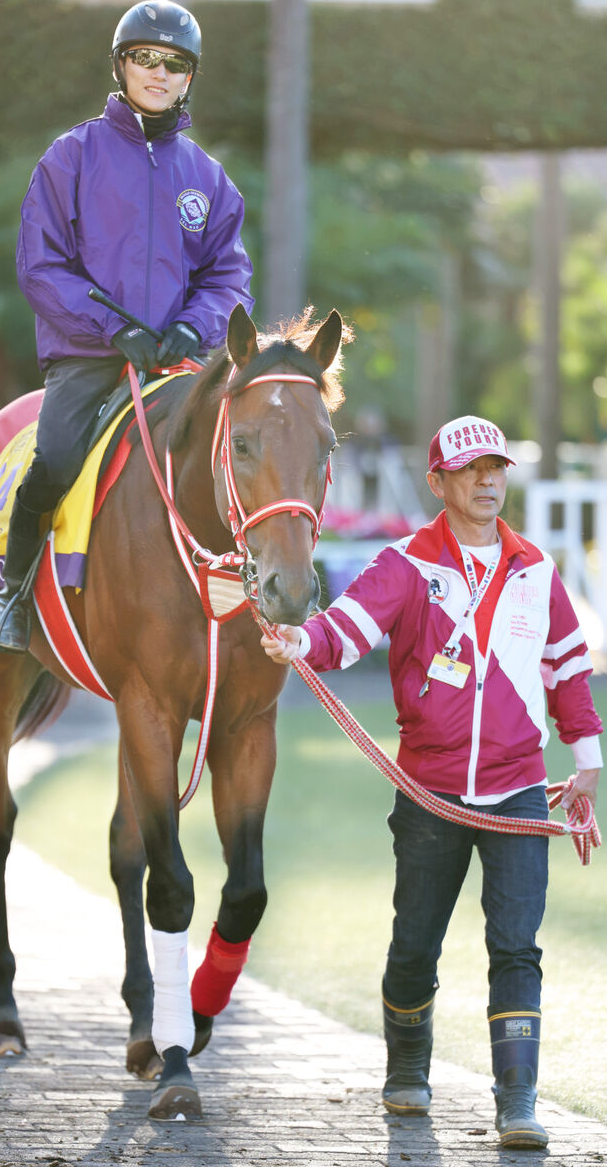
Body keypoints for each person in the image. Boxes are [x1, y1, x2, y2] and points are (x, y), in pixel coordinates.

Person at [261, 415, 603, 1150]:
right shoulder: (407, 564)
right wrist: (302, 640)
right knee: (415, 943)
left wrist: (587, 761)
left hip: (516, 788)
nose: (487, 481)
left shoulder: (536, 570)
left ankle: (518, 1103)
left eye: (496, 468)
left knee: (517, 947)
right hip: (430, 793)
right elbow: (347, 628)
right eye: (471, 469)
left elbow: (569, 670)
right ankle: (408, 1071)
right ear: (439, 482)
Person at [0, 0, 254, 653]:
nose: (158, 73)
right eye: (144, 58)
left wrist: (194, 328)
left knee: (250, 452)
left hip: (177, 360)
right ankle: (14, 595)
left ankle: (269, 592)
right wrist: (113, 331)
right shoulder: (71, 156)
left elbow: (228, 277)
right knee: (52, 461)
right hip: (88, 354)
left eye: (175, 64)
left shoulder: (208, 179)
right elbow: (40, 265)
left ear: (189, 77)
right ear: (120, 64)